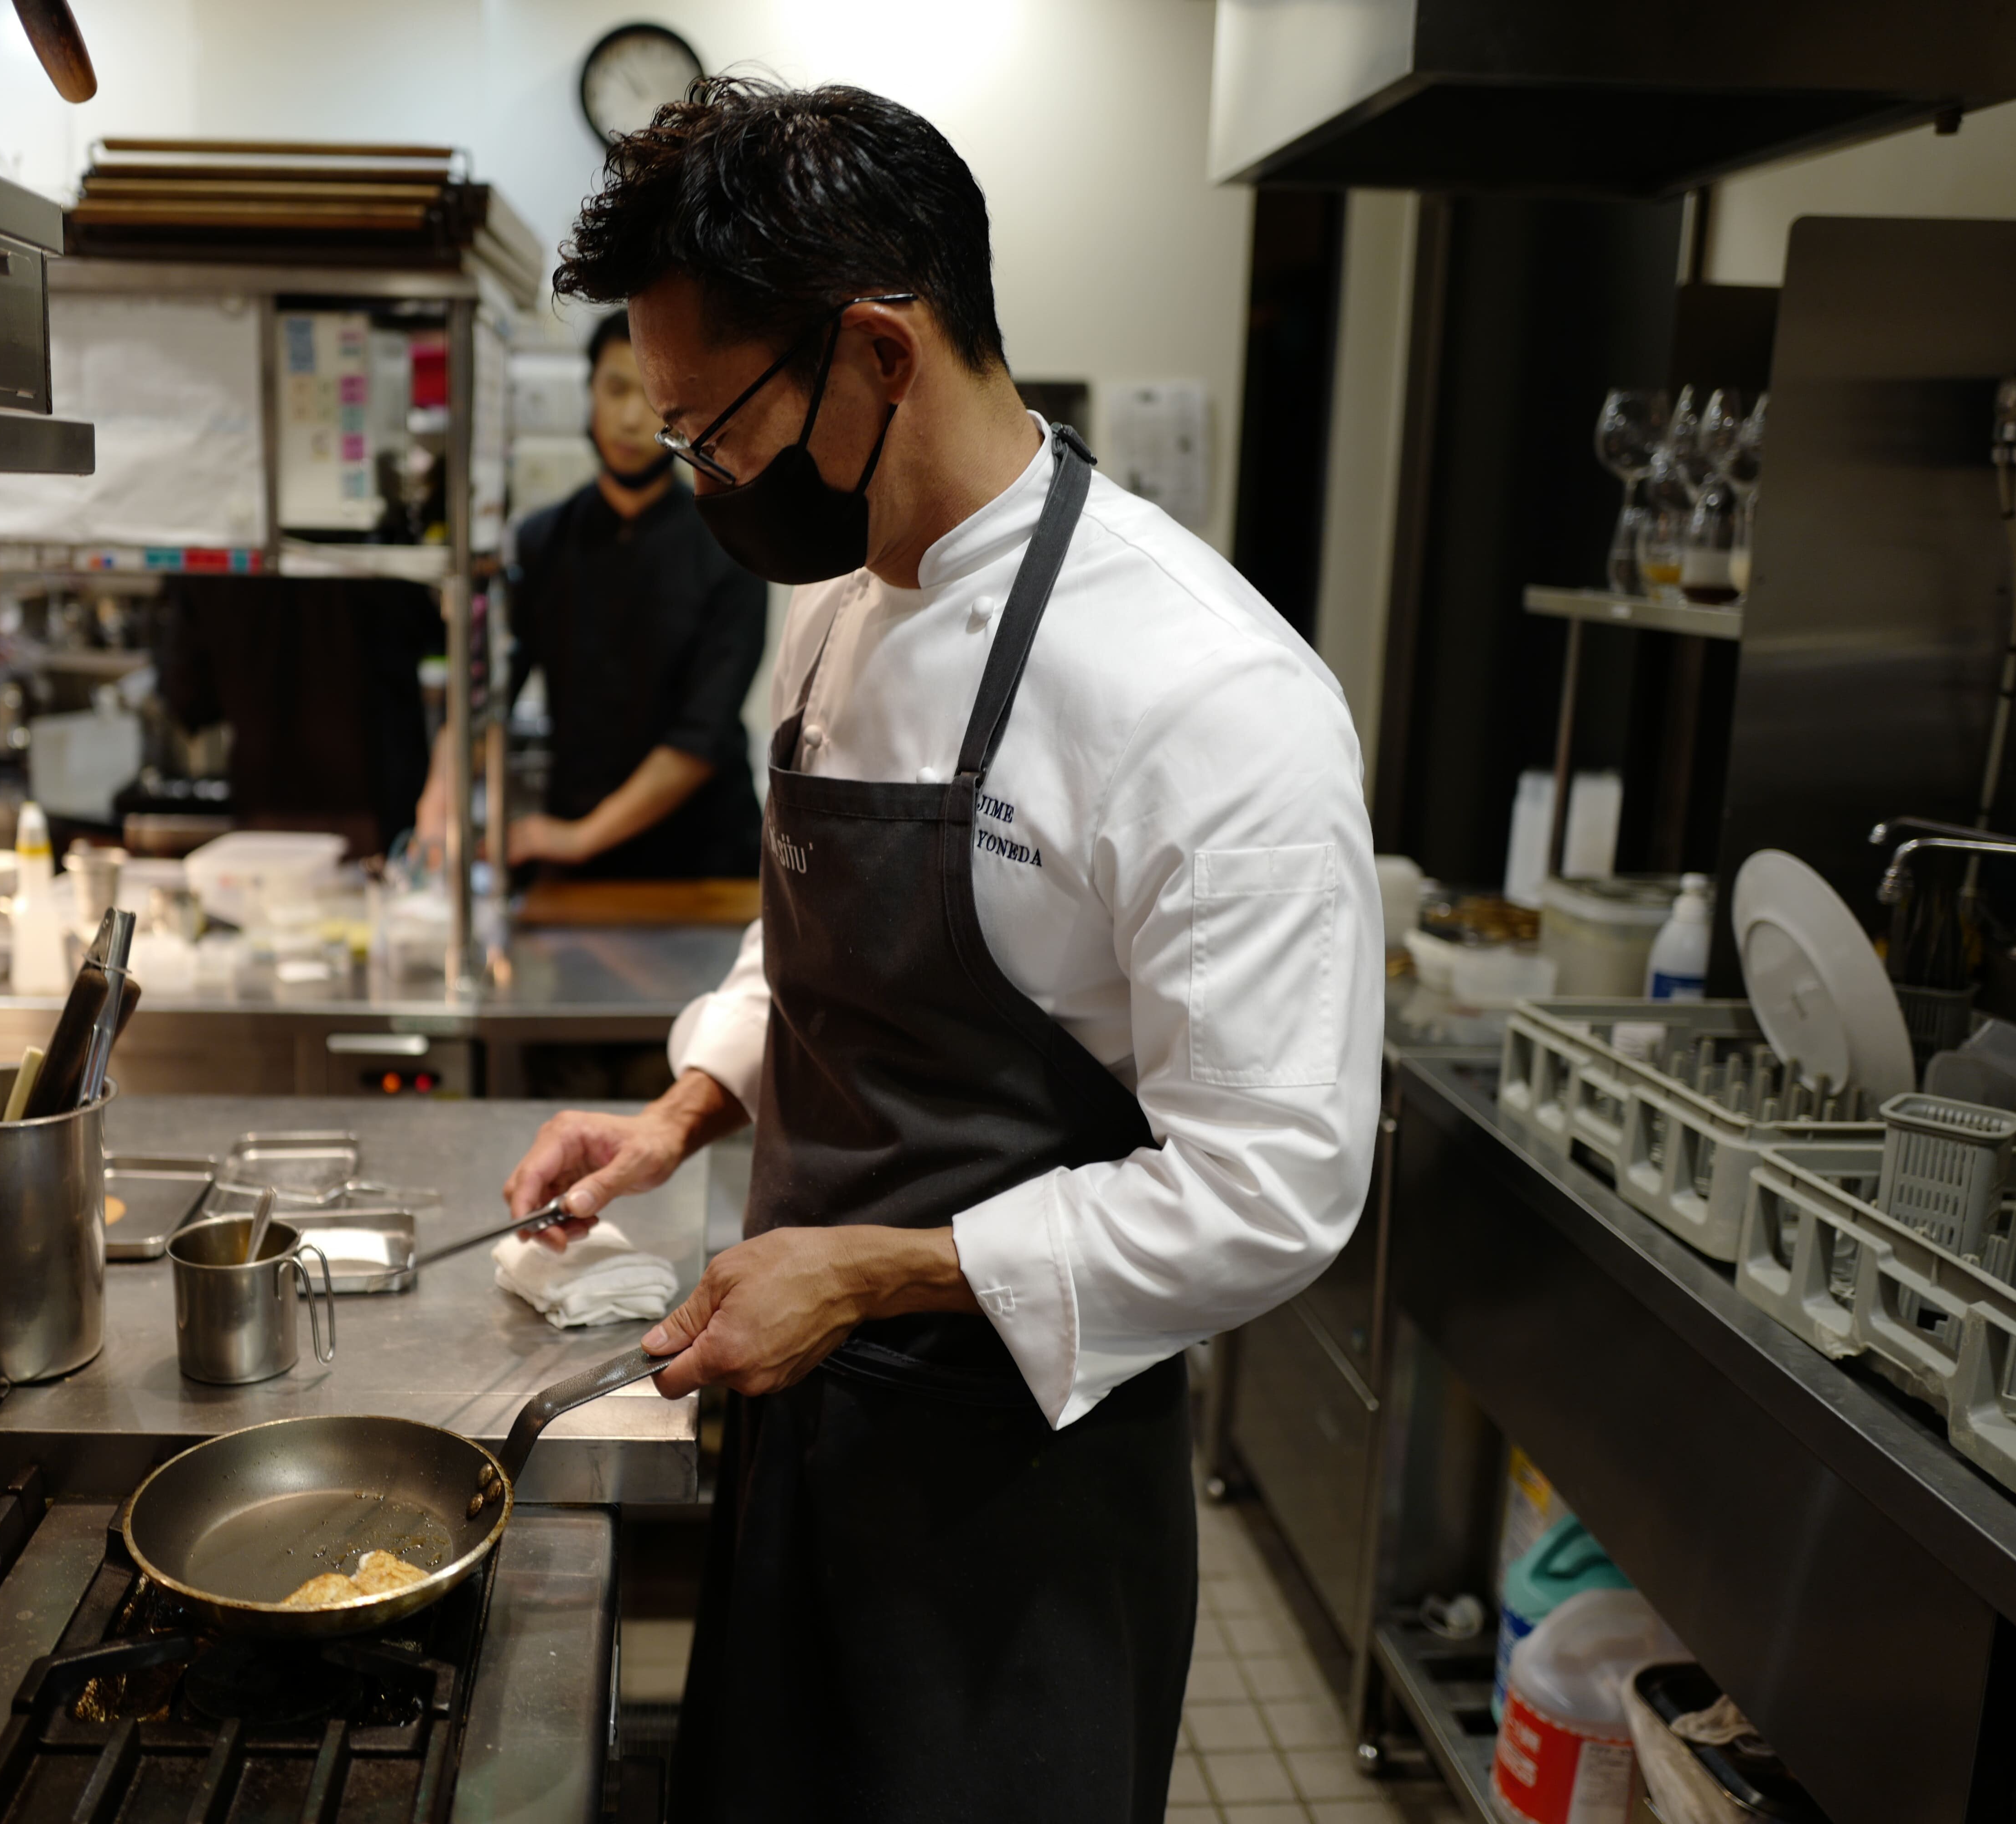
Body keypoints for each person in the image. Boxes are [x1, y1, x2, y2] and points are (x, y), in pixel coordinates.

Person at [498, 78, 1384, 1822]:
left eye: (713, 433)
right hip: (803, 1434)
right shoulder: (837, 603)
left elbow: (1276, 1184)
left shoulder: (1209, 695)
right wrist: (686, 1108)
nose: (701, 481)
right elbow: (812, 938)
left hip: (1019, 1502)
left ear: (879, 354)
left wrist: (868, 1274)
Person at [416, 311, 768, 877]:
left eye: (649, 397)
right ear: (590, 392)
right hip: (573, 860)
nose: (629, 418)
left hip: (701, 859)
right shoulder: (539, 543)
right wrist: (440, 796)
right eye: (615, 389)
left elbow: (701, 738)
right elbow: (487, 690)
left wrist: (580, 839)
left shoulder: (730, 549)